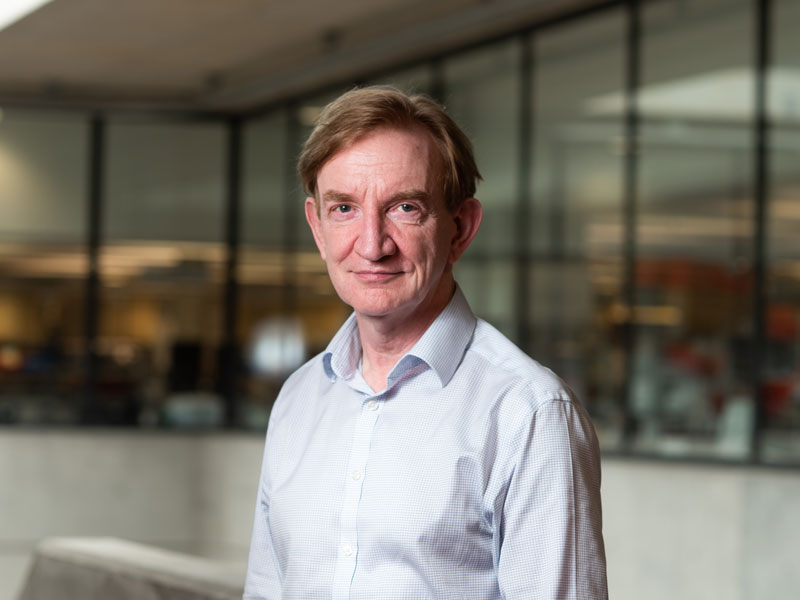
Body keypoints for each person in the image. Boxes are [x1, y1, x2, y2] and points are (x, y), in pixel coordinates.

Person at [244, 87, 607, 599]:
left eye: (405, 208)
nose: (372, 244)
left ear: (461, 228)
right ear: (318, 228)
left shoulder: (529, 414)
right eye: (344, 208)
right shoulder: (299, 399)